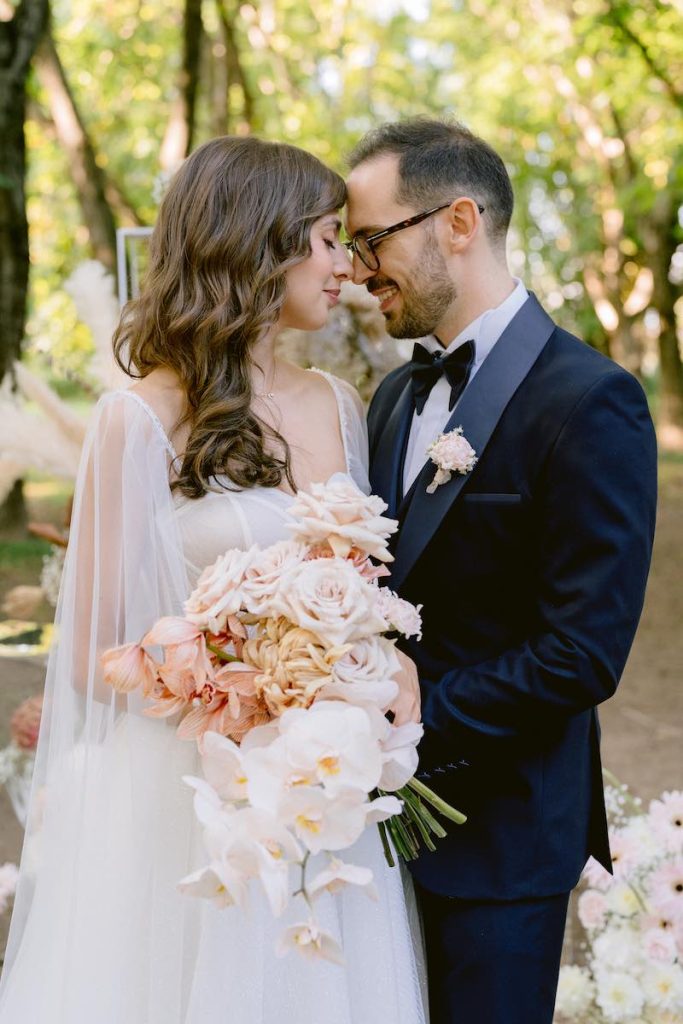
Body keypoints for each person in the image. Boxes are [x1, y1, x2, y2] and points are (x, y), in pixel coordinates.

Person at [0, 136, 428, 1024]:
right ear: (257, 242)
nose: (344, 266)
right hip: (190, 799)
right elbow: (89, 656)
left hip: (323, 791)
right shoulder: (137, 420)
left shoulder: (338, 405)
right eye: (325, 239)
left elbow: (358, 585)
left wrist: (363, 670)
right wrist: (243, 694)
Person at [345, 118, 657, 1024]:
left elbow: (581, 652)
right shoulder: (394, 396)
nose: (359, 271)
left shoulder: (591, 399)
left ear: (457, 221)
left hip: (502, 846)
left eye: (372, 240)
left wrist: (414, 717)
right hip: (365, 842)